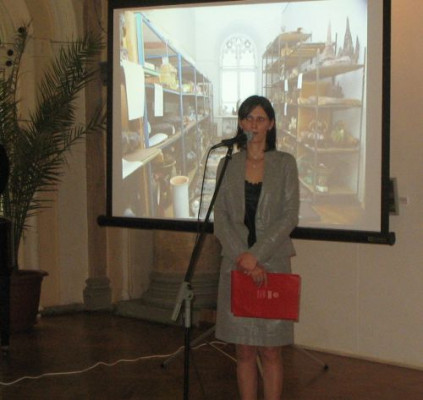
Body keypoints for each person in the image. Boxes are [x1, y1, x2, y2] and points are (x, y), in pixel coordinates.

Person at [214, 95, 299, 400]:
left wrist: (256, 255)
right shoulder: (227, 164)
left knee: (271, 351)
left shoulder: (285, 163)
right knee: (244, 351)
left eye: (260, 119)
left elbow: (289, 216)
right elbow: (220, 218)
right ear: (240, 124)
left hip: (272, 264)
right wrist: (244, 258)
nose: (254, 124)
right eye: (248, 118)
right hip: (236, 264)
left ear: (271, 124)